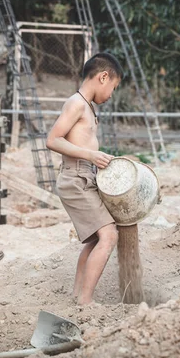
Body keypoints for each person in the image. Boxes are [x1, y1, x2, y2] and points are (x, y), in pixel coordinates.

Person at [46, 52, 124, 305]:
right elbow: (52, 140)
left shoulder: (87, 107)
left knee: (94, 239)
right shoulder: (76, 103)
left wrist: (97, 159)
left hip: (85, 176)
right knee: (109, 235)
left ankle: (79, 295)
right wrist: (91, 155)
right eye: (113, 87)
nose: (111, 94)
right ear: (103, 77)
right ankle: (86, 301)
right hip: (74, 178)